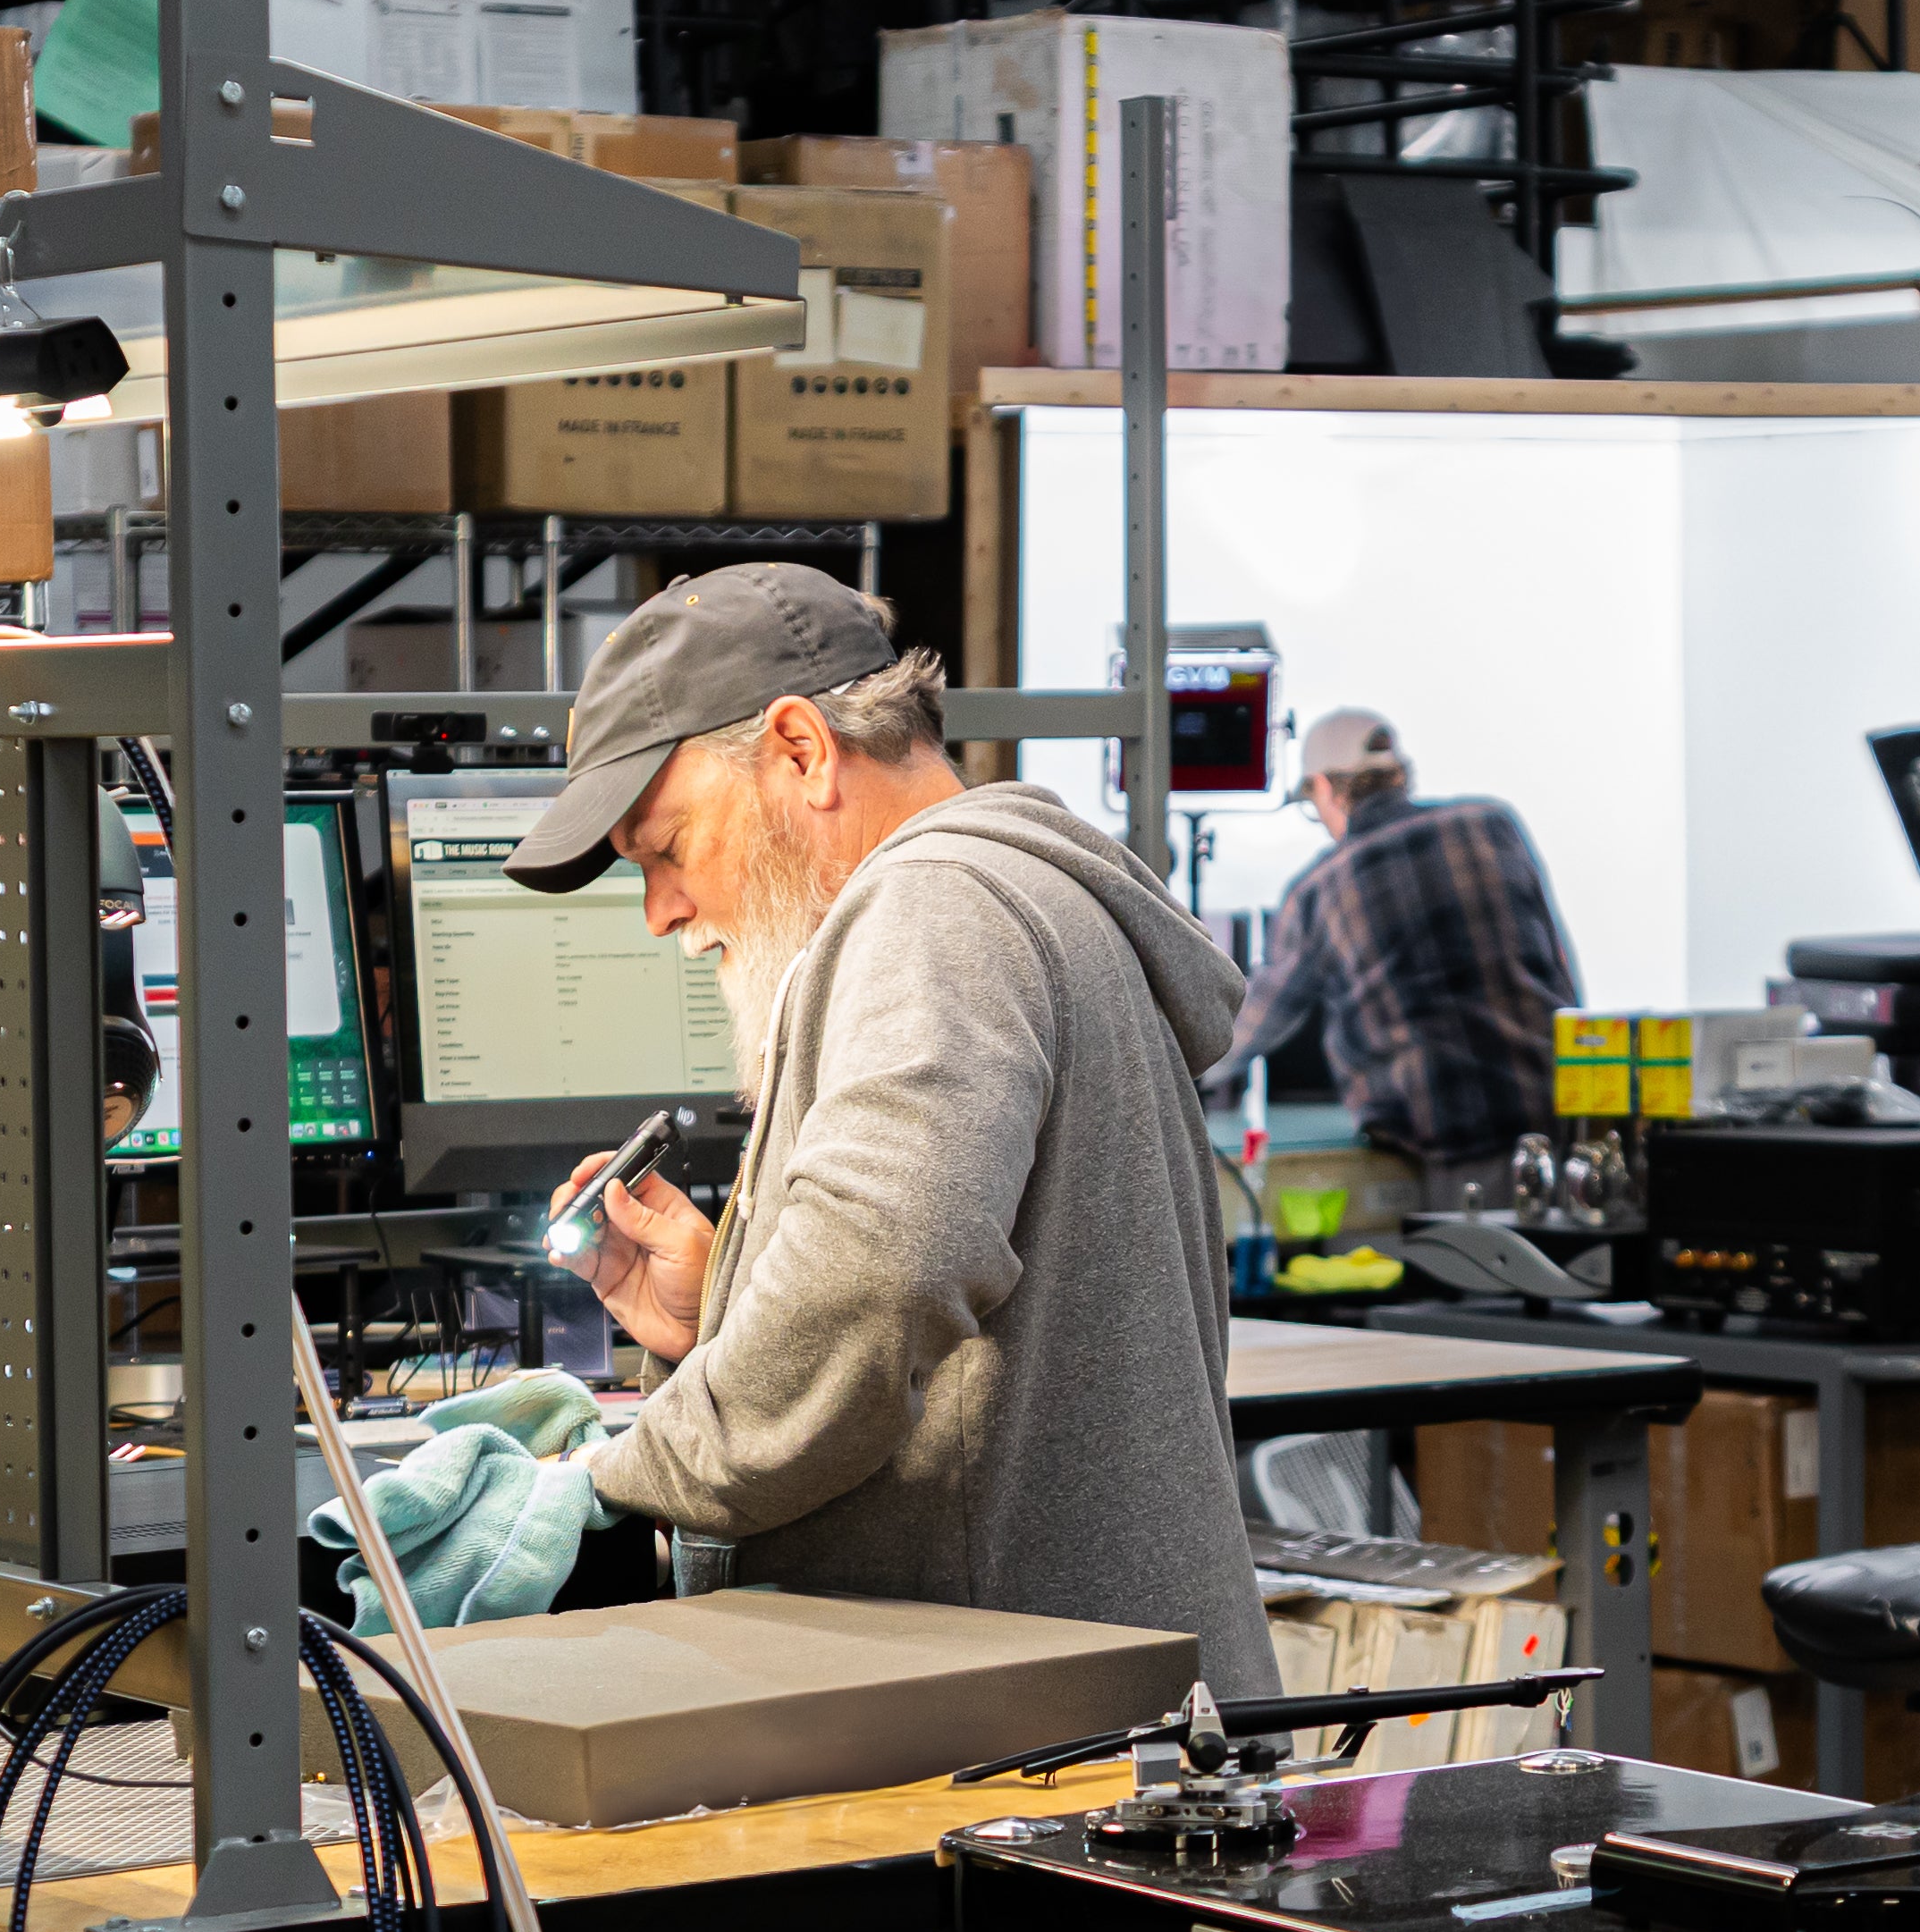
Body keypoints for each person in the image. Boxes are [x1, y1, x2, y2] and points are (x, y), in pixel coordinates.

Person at [503, 561, 1277, 1693]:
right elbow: (969, 1319)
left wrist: (605, 1481)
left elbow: (883, 1275)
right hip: (1088, 1716)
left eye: (666, 848)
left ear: (802, 751)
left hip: (1035, 1749)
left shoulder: (932, 908)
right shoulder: (1016, 895)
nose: (662, 909)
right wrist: (721, 1307)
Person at [1220, 708, 1579, 1209]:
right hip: (1556, 1126)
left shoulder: (1321, 889)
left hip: (1451, 1148)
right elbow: (1560, 973)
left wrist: (1177, 1063)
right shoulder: (1494, 825)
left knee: (1476, 1276)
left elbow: (1251, 1027)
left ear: (1324, 787)